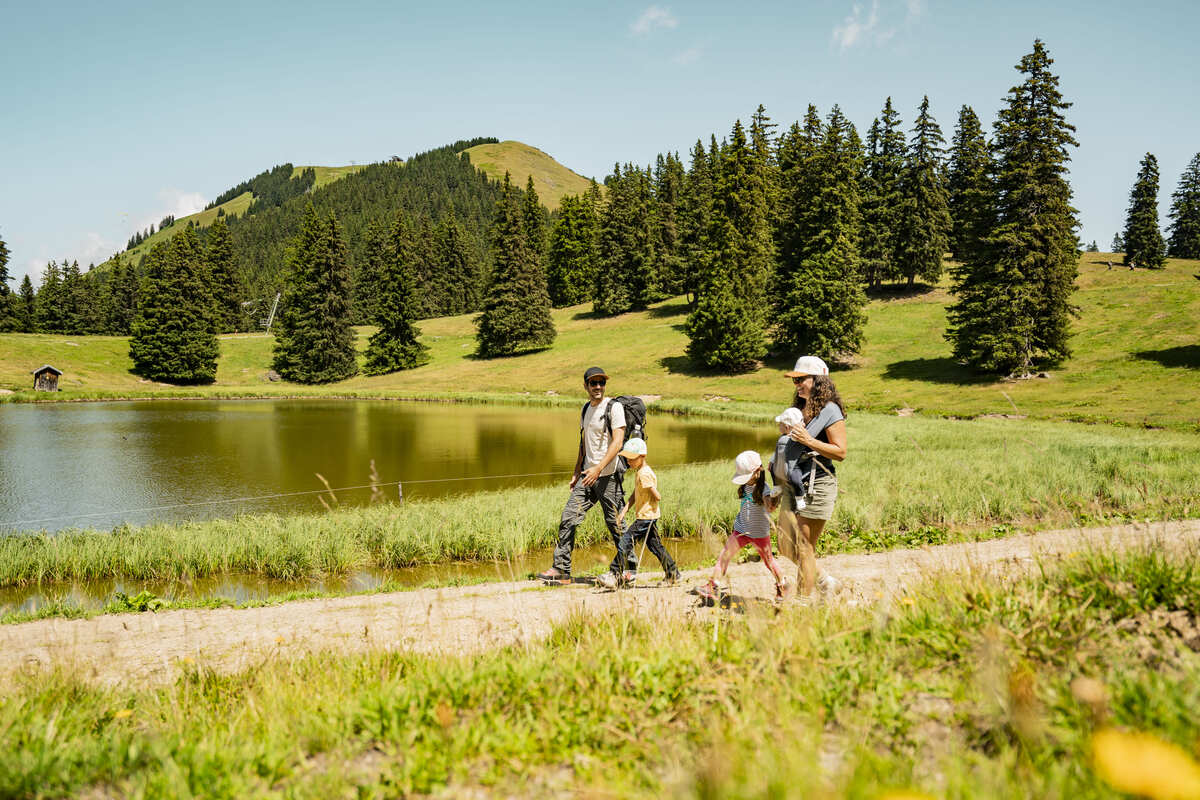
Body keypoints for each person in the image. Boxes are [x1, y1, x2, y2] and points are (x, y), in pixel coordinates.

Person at [538, 366, 635, 584]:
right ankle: (561, 570)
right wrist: (576, 472)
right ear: (586, 386)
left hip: (608, 476)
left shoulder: (614, 407)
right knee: (568, 518)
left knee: (616, 523)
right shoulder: (585, 409)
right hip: (587, 476)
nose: (598, 387)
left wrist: (599, 468)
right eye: (593, 383)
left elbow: (618, 442)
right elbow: (583, 443)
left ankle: (630, 570)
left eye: (601, 383)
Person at [770, 356, 848, 600]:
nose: (797, 385)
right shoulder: (800, 409)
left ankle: (803, 603)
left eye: (801, 379)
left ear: (819, 380)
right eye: (795, 381)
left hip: (816, 484)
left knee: (804, 548)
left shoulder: (830, 410)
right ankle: (826, 581)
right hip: (793, 486)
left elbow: (841, 451)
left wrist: (809, 441)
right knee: (785, 545)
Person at [697, 450, 788, 602]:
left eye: (748, 477)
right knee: (724, 556)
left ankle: (782, 585)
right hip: (741, 530)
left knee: (769, 561)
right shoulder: (745, 486)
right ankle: (713, 586)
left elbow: (769, 508)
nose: (745, 481)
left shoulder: (764, 489)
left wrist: (775, 498)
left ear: (758, 472)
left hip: (759, 534)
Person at [598, 438, 679, 588]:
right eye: (627, 459)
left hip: (645, 518)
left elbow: (657, 495)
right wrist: (624, 511)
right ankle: (673, 573)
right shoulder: (640, 472)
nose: (628, 462)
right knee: (656, 547)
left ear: (642, 456)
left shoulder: (644, 474)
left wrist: (655, 493)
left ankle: (614, 574)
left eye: (631, 459)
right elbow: (636, 494)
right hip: (649, 517)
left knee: (625, 543)